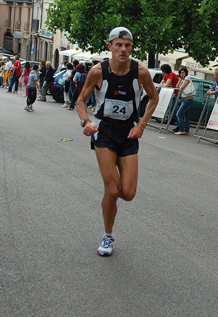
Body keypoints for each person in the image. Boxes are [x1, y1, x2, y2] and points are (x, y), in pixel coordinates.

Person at [77, 27, 158, 257]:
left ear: (131, 48)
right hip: (104, 131)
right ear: (110, 46)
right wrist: (86, 122)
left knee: (128, 193)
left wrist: (141, 125)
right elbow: (81, 100)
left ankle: (109, 193)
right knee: (113, 190)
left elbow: (154, 98)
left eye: (128, 45)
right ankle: (108, 235)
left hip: (129, 132)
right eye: (119, 45)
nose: (123, 49)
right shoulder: (97, 71)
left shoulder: (140, 72)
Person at [174, 66, 193, 135]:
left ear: (186, 73)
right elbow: (177, 87)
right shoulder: (182, 79)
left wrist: (181, 83)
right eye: (180, 73)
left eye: (183, 72)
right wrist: (180, 80)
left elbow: (181, 87)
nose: (182, 74)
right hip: (184, 98)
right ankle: (186, 129)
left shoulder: (188, 78)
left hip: (188, 98)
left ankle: (182, 129)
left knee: (179, 113)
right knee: (186, 115)